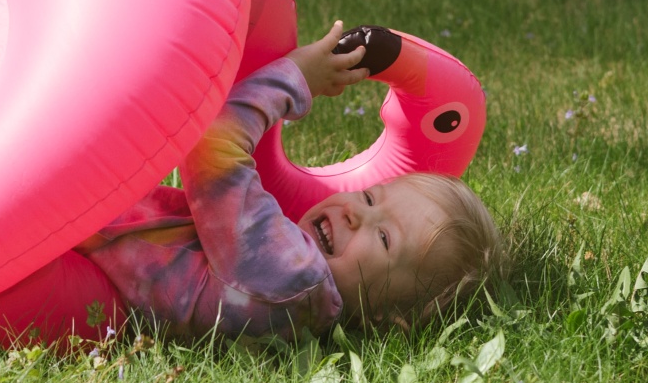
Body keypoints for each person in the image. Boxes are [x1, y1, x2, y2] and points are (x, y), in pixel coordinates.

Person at [76, 22, 501, 341]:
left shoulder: (290, 278)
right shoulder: (303, 313)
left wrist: (297, 76)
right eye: (371, 198)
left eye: (386, 238)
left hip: (75, 227)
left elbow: (213, 145)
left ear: (389, 320)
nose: (356, 214)